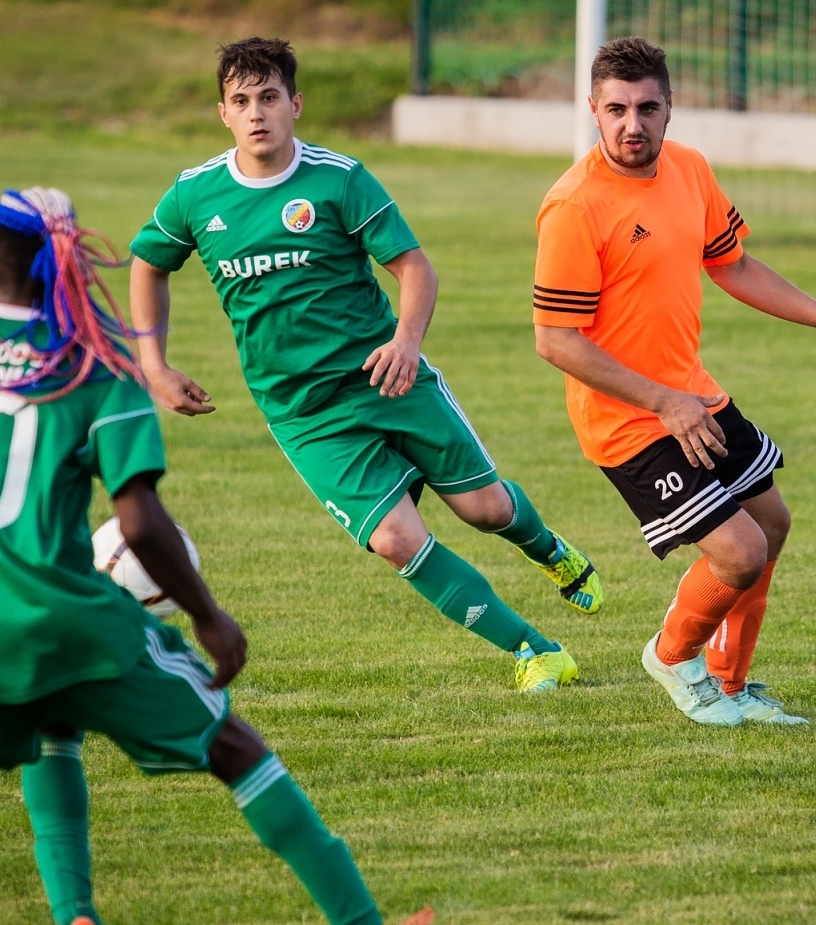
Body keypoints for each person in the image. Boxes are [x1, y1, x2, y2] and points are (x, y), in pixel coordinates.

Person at [0, 187, 465, 925]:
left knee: (50, 724)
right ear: (72, 274)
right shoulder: (88, 366)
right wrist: (210, 618)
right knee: (236, 748)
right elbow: (140, 522)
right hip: (66, 618)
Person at [128, 37, 601, 696]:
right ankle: (536, 650)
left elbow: (414, 268)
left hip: (389, 378)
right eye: (242, 101)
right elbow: (148, 264)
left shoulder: (338, 179)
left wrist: (406, 343)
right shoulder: (194, 196)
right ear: (224, 114)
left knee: (486, 510)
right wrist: (154, 363)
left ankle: (550, 550)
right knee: (397, 541)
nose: (257, 112)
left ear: (295, 103)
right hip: (305, 414)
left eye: (269, 97)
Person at [532, 38, 816, 728]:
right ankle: (674, 656)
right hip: (628, 421)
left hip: (691, 397)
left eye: (647, 108)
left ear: (671, 109)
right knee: (738, 552)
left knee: (772, 524)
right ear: (593, 109)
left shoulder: (689, 170)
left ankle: (732, 685)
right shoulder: (574, 205)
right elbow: (555, 339)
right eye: (616, 109)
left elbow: (732, 265)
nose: (632, 125)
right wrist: (661, 401)